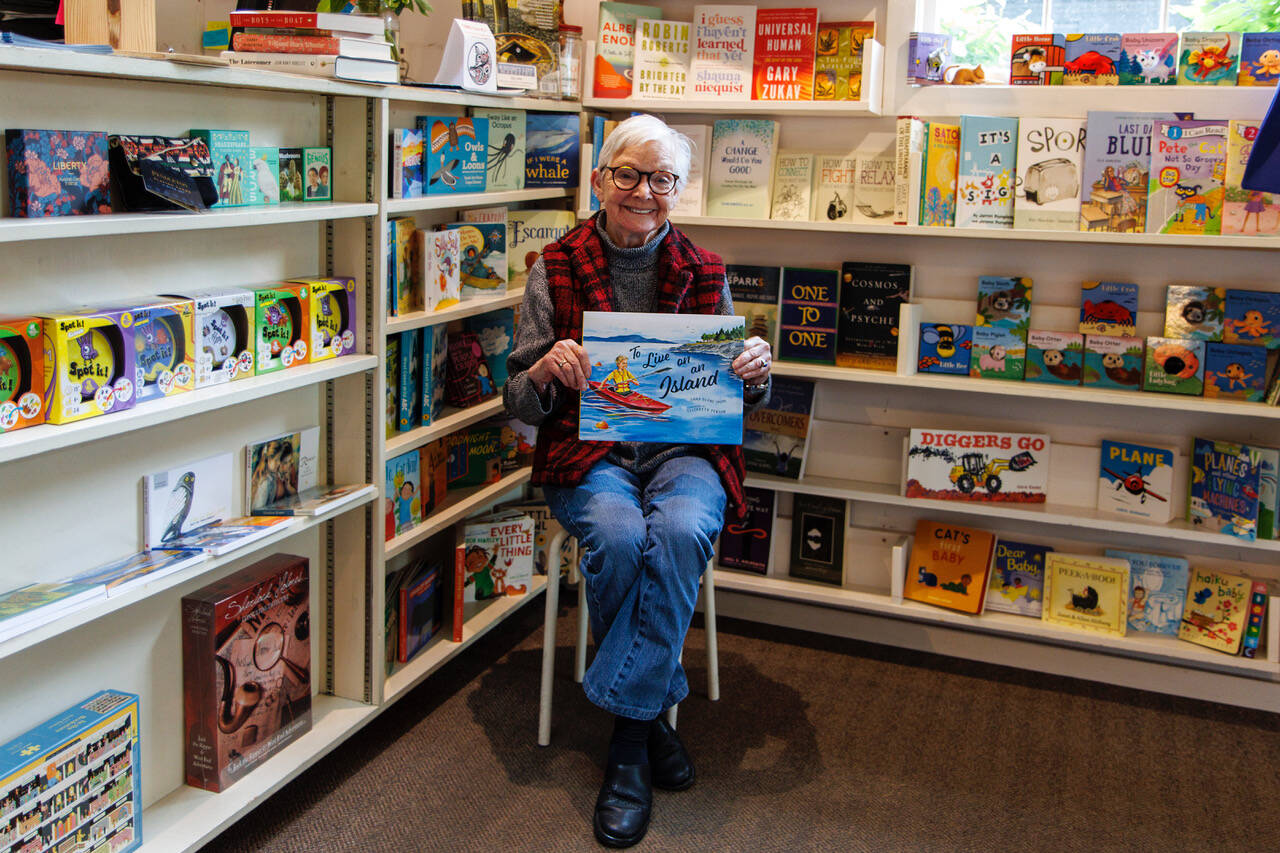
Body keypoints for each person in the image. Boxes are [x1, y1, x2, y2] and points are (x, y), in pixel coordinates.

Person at [504, 114, 772, 848]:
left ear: (678, 191)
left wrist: (755, 371)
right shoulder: (553, 266)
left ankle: (627, 734)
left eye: (661, 179)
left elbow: (734, 395)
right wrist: (543, 369)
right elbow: (518, 402)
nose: (643, 191)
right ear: (600, 179)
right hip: (588, 453)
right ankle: (651, 720)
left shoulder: (707, 268)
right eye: (628, 173)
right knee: (620, 537)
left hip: (683, 451)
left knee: (683, 528)